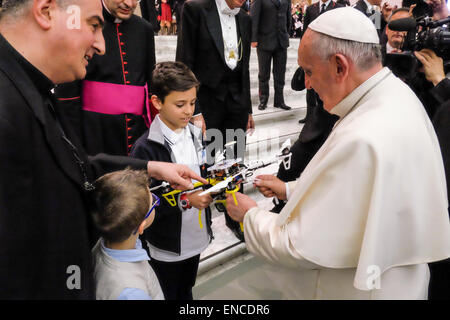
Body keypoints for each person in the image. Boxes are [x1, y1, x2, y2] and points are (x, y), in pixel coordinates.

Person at [225, 7, 450, 299]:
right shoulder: (394, 95)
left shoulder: (364, 135)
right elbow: (361, 192)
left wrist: (250, 215)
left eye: (308, 71)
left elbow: (300, 246)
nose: (306, 83)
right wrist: (290, 190)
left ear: (340, 66)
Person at [0, 0, 205, 299]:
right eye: (94, 25)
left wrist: (151, 167)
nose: (101, 45)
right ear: (46, 12)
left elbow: (78, 166)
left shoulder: (31, 87)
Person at [131, 62, 213, 300]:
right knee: (168, 293)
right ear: (157, 103)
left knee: (187, 289)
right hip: (166, 245)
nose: (189, 111)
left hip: (196, 237)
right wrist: (185, 201)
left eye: (192, 103)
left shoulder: (197, 135)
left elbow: (204, 173)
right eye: (180, 104)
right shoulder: (144, 149)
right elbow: (144, 204)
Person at [176, 0, 254, 241]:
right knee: (207, 164)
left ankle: (235, 217)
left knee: (234, 163)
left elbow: (244, 66)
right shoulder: (195, 9)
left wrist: (248, 109)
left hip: (236, 102)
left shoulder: (245, 18)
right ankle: (205, 220)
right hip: (207, 102)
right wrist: (194, 110)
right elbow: (184, 63)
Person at [55, 0, 156, 157]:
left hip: (138, 134)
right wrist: (74, 142)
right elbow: (68, 95)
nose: (129, 4)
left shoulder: (144, 29)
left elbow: (152, 86)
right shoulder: (82, 24)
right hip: (94, 135)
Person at [91, 169, 164, 300]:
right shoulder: (131, 294)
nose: (154, 201)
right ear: (141, 226)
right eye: (153, 201)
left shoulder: (103, 243)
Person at [298, 0, 342, 124]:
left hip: (329, 54)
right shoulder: (311, 8)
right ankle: (310, 115)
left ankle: (325, 116)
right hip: (312, 53)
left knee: (326, 86)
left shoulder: (338, 8)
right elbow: (305, 32)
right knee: (310, 87)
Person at [251, 0, 292, 111]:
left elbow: (288, 18)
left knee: (280, 74)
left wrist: (287, 32)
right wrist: (253, 38)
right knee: (264, 74)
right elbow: (254, 18)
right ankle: (263, 100)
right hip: (264, 41)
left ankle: (279, 101)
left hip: (281, 42)